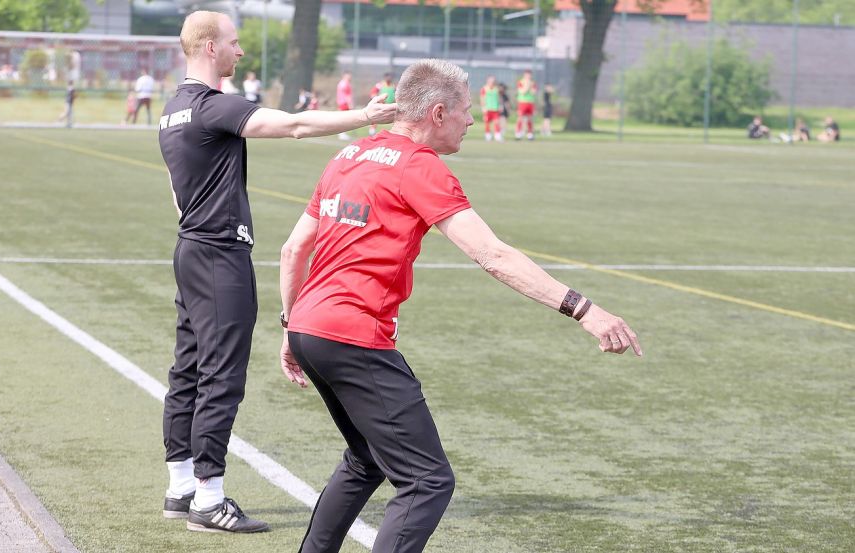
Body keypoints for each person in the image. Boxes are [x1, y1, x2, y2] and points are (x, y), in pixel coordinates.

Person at [277, 59, 641, 553]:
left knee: (367, 458)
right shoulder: (420, 166)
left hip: (309, 325)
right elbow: (492, 255)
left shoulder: (348, 155)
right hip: (352, 334)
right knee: (427, 481)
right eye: (467, 111)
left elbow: (294, 249)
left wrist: (290, 327)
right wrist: (584, 310)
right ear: (440, 112)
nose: (472, 120)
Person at [156, 10, 395, 535]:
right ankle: (209, 497)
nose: (240, 52)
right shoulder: (211, 107)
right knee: (221, 374)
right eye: (234, 43)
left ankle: (180, 488)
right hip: (219, 254)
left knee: (189, 369)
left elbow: (178, 196)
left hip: (190, 248)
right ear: (210, 47)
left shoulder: (172, 109)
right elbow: (293, 124)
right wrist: (365, 115)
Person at [515, 69, 537, 140]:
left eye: (529, 75)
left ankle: (530, 134)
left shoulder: (533, 83)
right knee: (520, 118)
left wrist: (529, 86)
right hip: (522, 102)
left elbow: (534, 92)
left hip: (530, 103)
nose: (528, 76)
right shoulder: (520, 82)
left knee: (530, 119)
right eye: (527, 74)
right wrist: (527, 86)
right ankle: (518, 133)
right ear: (524, 75)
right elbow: (522, 92)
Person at [480, 75, 501, 141]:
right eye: (490, 81)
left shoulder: (496, 89)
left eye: (493, 81)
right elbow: (482, 98)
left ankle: (497, 136)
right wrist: (483, 107)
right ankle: (488, 135)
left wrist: (500, 105)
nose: (492, 82)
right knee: (487, 122)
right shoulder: (484, 88)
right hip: (487, 109)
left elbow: (499, 98)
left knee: (497, 122)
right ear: (488, 81)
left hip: (495, 109)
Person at [336, 71, 353, 140]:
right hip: (344, 103)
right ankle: (342, 134)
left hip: (341, 102)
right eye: (348, 76)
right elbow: (347, 95)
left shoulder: (340, 83)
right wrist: (350, 104)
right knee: (345, 119)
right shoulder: (346, 84)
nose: (350, 77)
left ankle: (342, 133)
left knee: (342, 118)